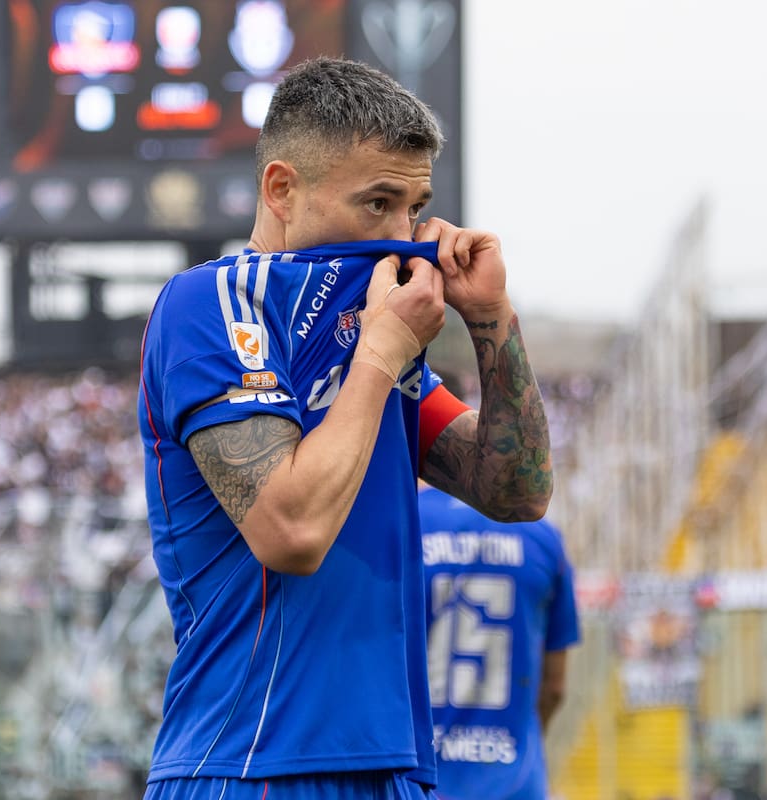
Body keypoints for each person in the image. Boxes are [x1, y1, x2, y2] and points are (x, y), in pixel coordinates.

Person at [137, 56, 552, 800]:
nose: (403, 237)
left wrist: (490, 317)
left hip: (393, 768)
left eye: (415, 207)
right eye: (377, 203)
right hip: (249, 762)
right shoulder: (211, 305)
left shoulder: (368, 338)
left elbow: (515, 492)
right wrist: (383, 353)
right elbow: (289, 531)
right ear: (283, 189)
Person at [418, 486, 579, 800]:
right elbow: (554, 687)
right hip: (513, 780)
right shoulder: (543, 537)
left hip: (418, 779)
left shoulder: (406, 521)